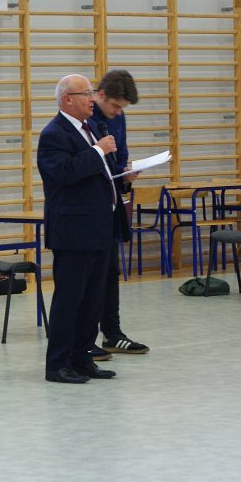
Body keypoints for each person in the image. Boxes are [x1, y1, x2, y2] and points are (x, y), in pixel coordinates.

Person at [37, 74, 118, 384]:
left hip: (98, 227)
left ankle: (82, 359)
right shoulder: (54, 134)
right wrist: (98, 152)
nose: (92, 99)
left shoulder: (91, 128)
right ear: (67, 99)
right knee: (69, 300)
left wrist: (121, 175)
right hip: (72, 230)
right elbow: (65, 173)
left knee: (92, 301)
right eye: (86, 93)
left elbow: (96, 174)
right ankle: (57, 364)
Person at [88, 70, 150, 360]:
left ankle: (112, 333)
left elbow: (119, 157)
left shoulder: (118, 117)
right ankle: (85, 339)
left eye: (122, 108)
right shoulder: (86, 120)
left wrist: (126, 174)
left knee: (110, 272)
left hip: (111, 203)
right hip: (88, 208)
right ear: (100, 95)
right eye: (114, 106)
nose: (117, 113)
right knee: (89, 276)